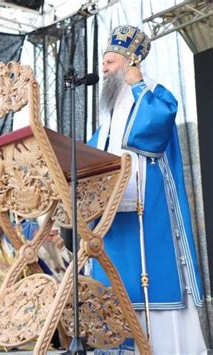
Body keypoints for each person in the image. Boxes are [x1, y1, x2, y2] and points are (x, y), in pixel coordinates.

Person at [89, 25, 206, 354]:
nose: (104, 68)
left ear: (129, 63)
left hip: (147, 212)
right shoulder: (109, 112)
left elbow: (155, 127)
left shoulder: (152, 93)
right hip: (113, 217)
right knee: (114, 288)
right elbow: (96, 151)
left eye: (110, 62)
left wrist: (139, 85)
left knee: (151, 284)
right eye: (104, 62)